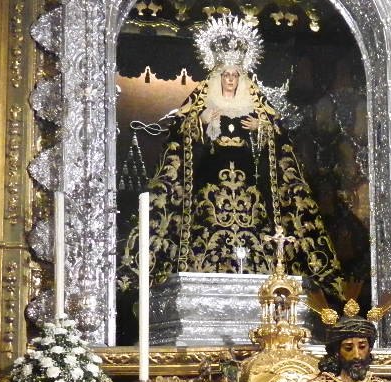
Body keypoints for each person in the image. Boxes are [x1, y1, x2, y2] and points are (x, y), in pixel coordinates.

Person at [118, 14, 339, 291]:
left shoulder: (255, 105)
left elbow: (280, 140)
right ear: (218, 76)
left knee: (256, 227)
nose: (231, 80)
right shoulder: (202, 102)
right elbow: (178, 136)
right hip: (212, 182)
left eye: (235, 75)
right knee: (206, 222)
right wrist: (201, 123)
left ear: (242, 76)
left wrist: (262, 128)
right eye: (226, 75)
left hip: (247, 186)